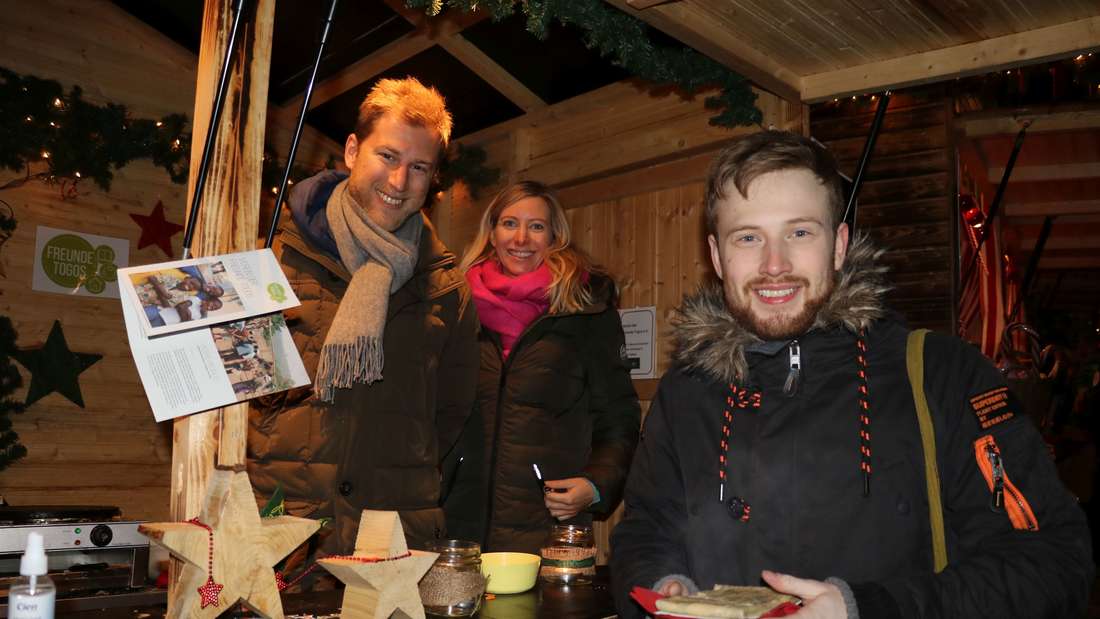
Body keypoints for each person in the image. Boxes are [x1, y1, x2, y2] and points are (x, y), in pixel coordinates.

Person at [609, 130, 1092, 618]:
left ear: (839, 246)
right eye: (748, 237)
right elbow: (645, 527)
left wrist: (870, 609)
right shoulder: (684, 390)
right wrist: (662, 585)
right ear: (717, 257)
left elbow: (1052, 563)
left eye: (800, 233)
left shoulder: (943, 376)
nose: (774, 265)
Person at [247, 77, 479, 558]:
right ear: (353, 150)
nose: (399, 182)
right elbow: (234, 404)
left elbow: (451, 412)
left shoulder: (446, 287)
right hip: (283, 536)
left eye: (419, 167)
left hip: (394, 539)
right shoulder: (273, 259)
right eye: (388, 156)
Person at [445, 181, 640, 554]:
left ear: (554, 237)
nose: (521, 238)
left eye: (536, 226)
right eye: (509, 223)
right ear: (492, 233)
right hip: (457, 525)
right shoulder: (457, 306)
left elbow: (619, 417)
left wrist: (596, 484)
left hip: (547, 528)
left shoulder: (585, 311)